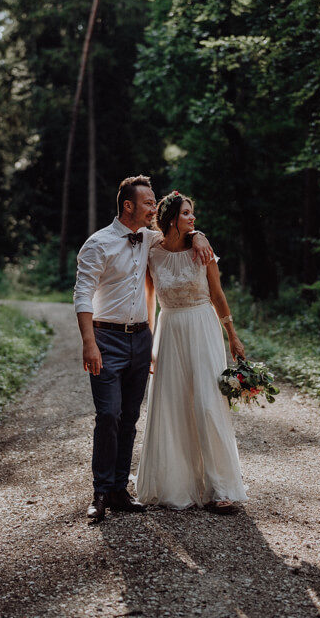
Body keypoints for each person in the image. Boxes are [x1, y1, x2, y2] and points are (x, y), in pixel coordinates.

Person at [73, 175, 214, 523]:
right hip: (106, 338)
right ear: (128, 206)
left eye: (154, 203)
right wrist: (89, 344)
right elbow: (82, 295)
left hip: (141, 339)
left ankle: (121, 490)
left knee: (131, 417)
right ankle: (101, 492)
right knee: (108, 415)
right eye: (149, 202)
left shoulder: (151, 238)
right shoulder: (98, 244)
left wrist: (198, 235)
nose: (154, 207)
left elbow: (179, 232)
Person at [135, 191, 248, 514]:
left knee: (208, 404)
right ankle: (176, 483)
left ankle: (220, 488)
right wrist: (149, 341)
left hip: (202, 326)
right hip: (169, 330)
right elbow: (149, 301)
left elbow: (218, 294)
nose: (193, 219)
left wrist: (232, 336)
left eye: (193, 214)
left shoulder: (202, 249)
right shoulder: (152, 251)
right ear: (172, 219)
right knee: (172, 404)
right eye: (187, 214)